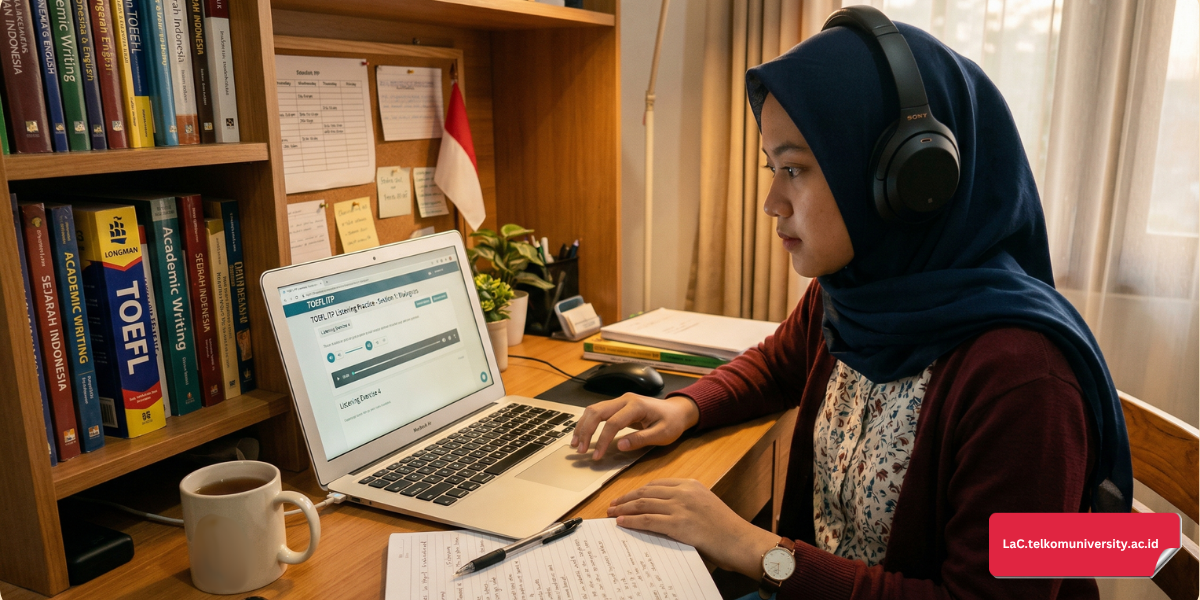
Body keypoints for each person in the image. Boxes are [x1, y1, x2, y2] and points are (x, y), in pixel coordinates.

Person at [569, 10, 1133, 600]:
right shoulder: (857, 294)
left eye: (796, 170)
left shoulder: (1026, 383)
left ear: (906, 182)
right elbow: (776, 363)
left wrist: (759, 551)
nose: (771, 202)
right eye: (772, 168)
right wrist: (684, 408)